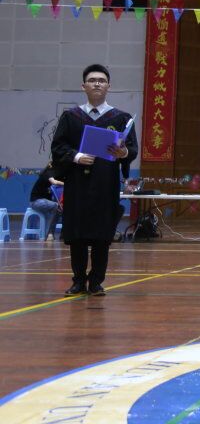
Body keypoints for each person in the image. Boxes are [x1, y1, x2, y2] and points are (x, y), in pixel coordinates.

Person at [51, 64, 138, 296]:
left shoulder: (120, 118)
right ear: (84, 86)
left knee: (102, 235)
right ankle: (78, 281)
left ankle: (96, 282)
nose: (97, 83)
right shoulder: (71, 117)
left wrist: (123, 153)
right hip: (77, 183)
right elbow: (58, 147)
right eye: (92, 80)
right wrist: (76, 157)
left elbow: (132, 149)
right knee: (77, 235)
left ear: (109, 86)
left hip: (105, 183)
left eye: (101, 80)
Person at [29, 163, 64, 240]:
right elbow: (55, 182)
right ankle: (49, 234)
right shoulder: (47, 173)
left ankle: (48, 234)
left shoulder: (48, 183)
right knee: (56, 206)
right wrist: (66, 184)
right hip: (36, 202)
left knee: (55, 213)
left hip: (43, 202)